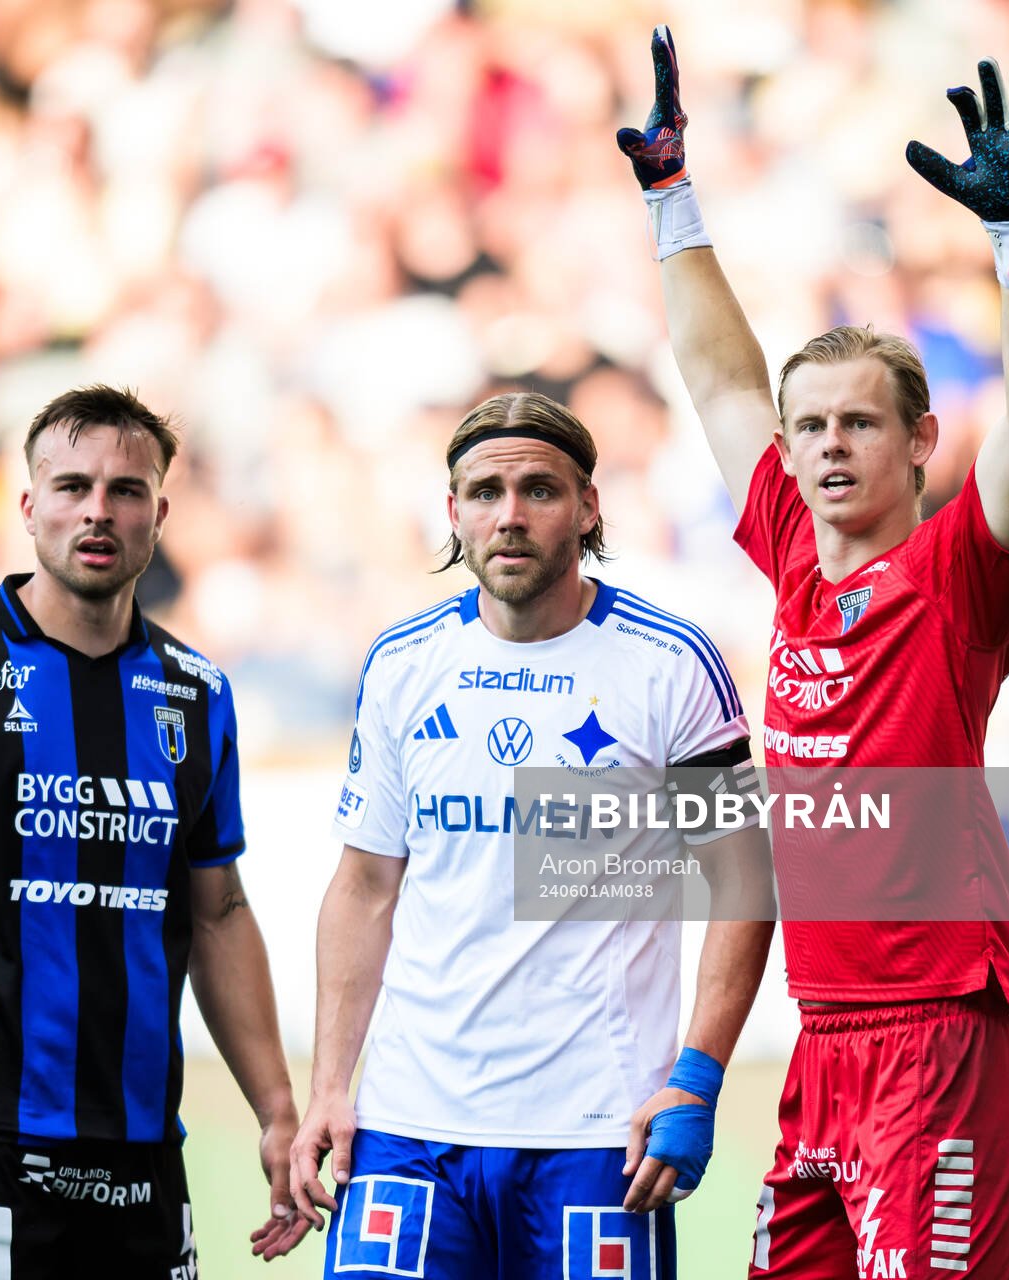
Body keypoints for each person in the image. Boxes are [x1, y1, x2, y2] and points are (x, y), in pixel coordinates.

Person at [618, 27, 1009, 1278]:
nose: (827, 446)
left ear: (920, 443)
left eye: (859, 424)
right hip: (822, 1048)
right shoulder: (787, 551)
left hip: (942, 1044)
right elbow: (719, 380)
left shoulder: (957, 577)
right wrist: (671, 198)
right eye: (809, 424)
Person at [289, 390, 777, 1278]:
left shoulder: (670, 664)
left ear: (589, 507)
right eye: (485, 492)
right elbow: (365, 886)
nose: (509, 515)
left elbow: (745, 882)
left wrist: (697, 1077)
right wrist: (330, 1084)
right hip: (409, 1129)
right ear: (453, 512)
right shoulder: (402, 665)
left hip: (595, 1138)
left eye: (539, 490)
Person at [0, 384, 309, 1275]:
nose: (97, 510)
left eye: (126, 490)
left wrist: (277, 1109)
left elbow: (218, 913)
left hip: (140, 1154)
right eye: (71, 487)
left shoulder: (197, 694)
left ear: (160, 515)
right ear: (27, 507)